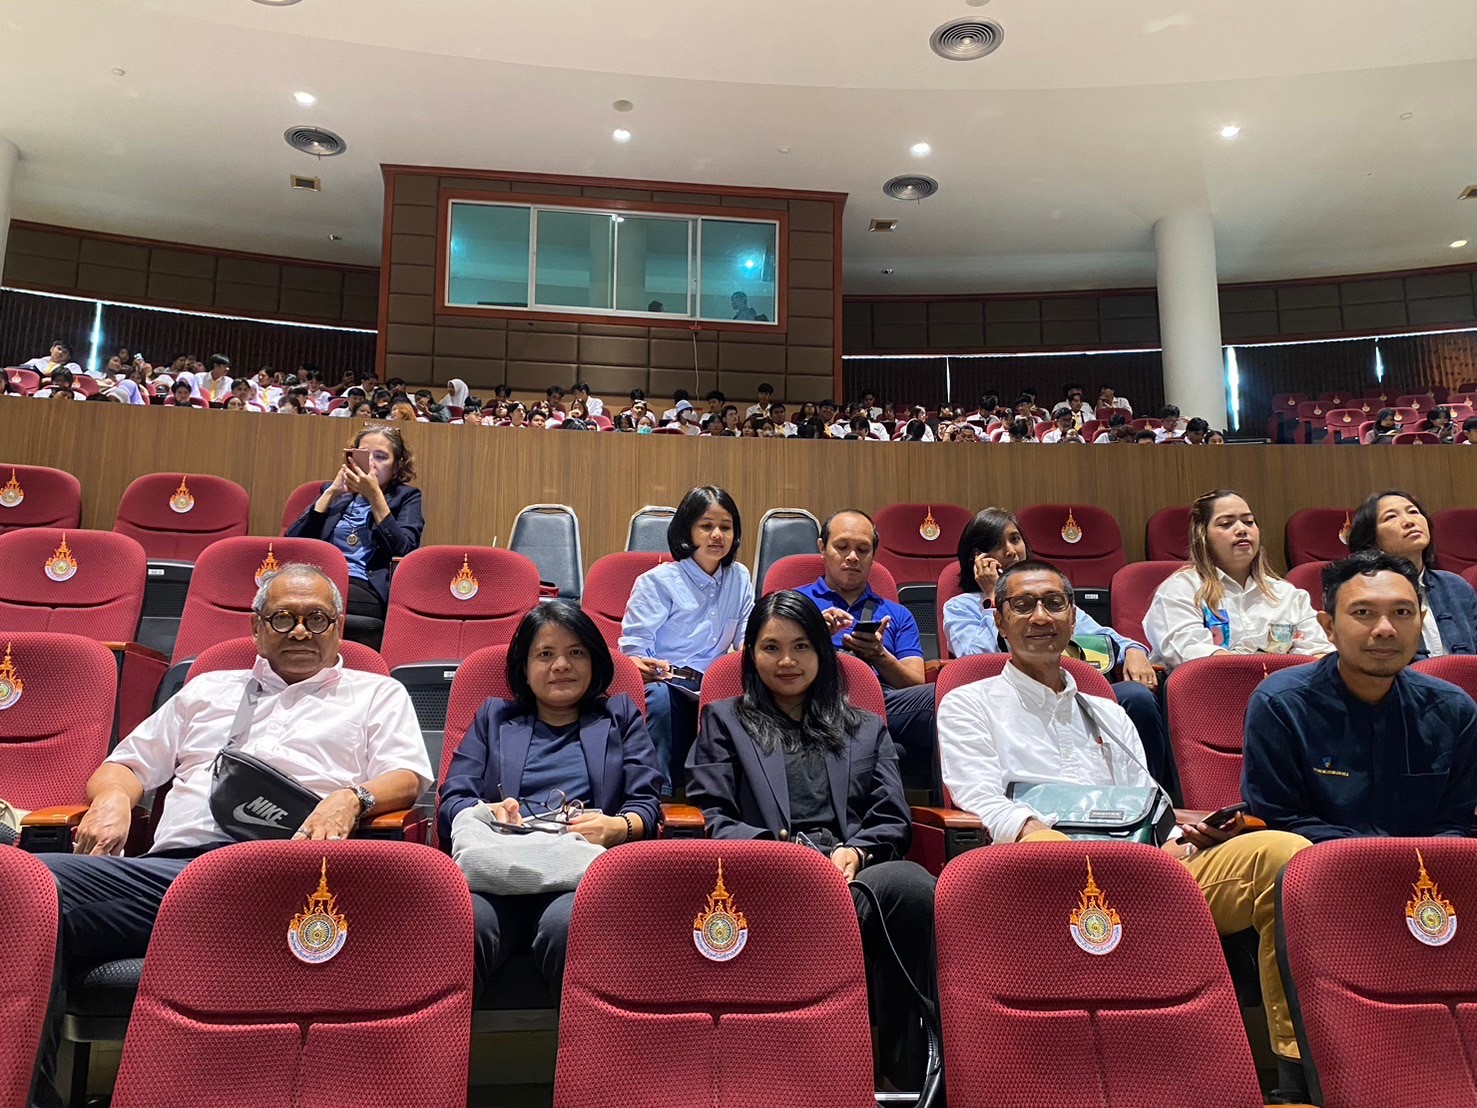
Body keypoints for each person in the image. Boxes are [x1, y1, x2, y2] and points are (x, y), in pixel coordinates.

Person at [27, 564, 431, 1107]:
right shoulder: (208, 691)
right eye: (283, 618)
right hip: (171, 879)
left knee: (38, 886)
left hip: (286, 876)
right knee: (30, 890)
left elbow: (407, 777)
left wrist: (351, 797)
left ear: (339, 628)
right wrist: (114, 799)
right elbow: (124, 765)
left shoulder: (376, 694)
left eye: (316, 619)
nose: (300, 631)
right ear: (256, 627)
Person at [937, 560, 1312, 1100]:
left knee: (1285, 855)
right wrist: (1051, 842)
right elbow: (979, 799)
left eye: (1054, 604)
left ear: (1073, 618)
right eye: (1022, 605)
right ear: (999, 620)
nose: (1040, 617)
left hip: (1142, 874)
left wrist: (1185, 840)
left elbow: (1148, 804)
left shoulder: (1108, 713)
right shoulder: (969, 702)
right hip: (1035, 876)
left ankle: (1296, 1073)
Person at [686, 590, 937, 1089]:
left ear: (823, 652)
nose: (787, 661)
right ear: (751, 655)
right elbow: (713, 815)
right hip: (764, 874)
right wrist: (787, 857)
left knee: (911, 886)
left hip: (853, 876)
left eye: (801, 646)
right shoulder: (725, 721)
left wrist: (856, 851)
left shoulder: (866, 728)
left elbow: (891, 816)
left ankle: (904, 1073)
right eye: (771, 647)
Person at [438, 602, 662, 1000]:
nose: (561, 665)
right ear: (524, 668)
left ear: (594, 661)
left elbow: (646, 801)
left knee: (569, 927)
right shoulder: (493, 717)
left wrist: (618, 826)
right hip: (498, 874)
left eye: (575, 652)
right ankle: (442, 1041)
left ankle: (589, 1040)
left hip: (580, 877)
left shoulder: (619, 717)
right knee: (464, 926)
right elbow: (453, 799)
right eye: (545, 654)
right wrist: (488, 811)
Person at [1243, 550, 1477, 843]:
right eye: (1363, 613)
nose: (1385, 629)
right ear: (1328, 627)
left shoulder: (1454, 710)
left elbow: (1453, 822)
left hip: (1427, 868)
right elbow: (1282, 819)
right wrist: (1372, 858)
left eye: (1402, 613)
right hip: (1316, 863)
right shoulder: (1281, 704)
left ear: (1421, 620)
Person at [943, 508, 1172, 783]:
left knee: (1136, 697)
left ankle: (1150, 793)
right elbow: (976, 661)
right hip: (1009, 697)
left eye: (1015, 539)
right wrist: (995, 598)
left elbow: (1103, 637)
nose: (1011, 551)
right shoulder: (961, 607)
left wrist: (1134, 650)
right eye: (997, 544)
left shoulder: (1051, 598)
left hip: (1072, 691)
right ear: (977, 558)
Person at [619, 486, 752, 791]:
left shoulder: (740, 577)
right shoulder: (657, 582)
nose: (717, 535)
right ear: (686, 531)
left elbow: (748, 640)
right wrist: (643, 665)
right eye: (706, 526)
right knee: (659, 699)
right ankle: (658, 797)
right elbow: (633, 652)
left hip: (715, 687)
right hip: (669, 684)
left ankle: (727, 799)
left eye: (726, 527)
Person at [792, 511, 936, 778]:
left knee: (947, 697)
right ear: (822, 548)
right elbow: (771, 664)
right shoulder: (794, 603)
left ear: (873, 555)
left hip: (881, 702)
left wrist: (880, 656)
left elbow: (915, 683)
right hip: (815, 698)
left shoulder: (897, 614)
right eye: (842, 547)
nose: (852, 557)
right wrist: (813, 636)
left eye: (862, 549)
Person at [1144, 489, 1333, 670]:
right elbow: (1192, 657)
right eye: (1226, 524)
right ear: (1203, 536)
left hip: (1283, 688)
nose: (1242, 529)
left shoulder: (1287, 594)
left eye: (1249, 522)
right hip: (1214, 688)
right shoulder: (1180, 590)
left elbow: (1320, 653)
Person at [285, 425, 424, 644]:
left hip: (364, 586)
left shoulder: (406, 497)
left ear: (397, 466)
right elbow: (291, 545)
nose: (371, 463)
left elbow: (404, 550)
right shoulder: (333, 493)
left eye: (381, 457)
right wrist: (330, 493)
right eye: (364, 455)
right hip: (319, 579)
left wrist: (375, 496)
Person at [1347, 489, 1477, 656]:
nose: (1409, 521)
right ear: (1372, 540)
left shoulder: (1456, 586)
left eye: (1413, 512)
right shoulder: (1363, 594)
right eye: (1391, 517)